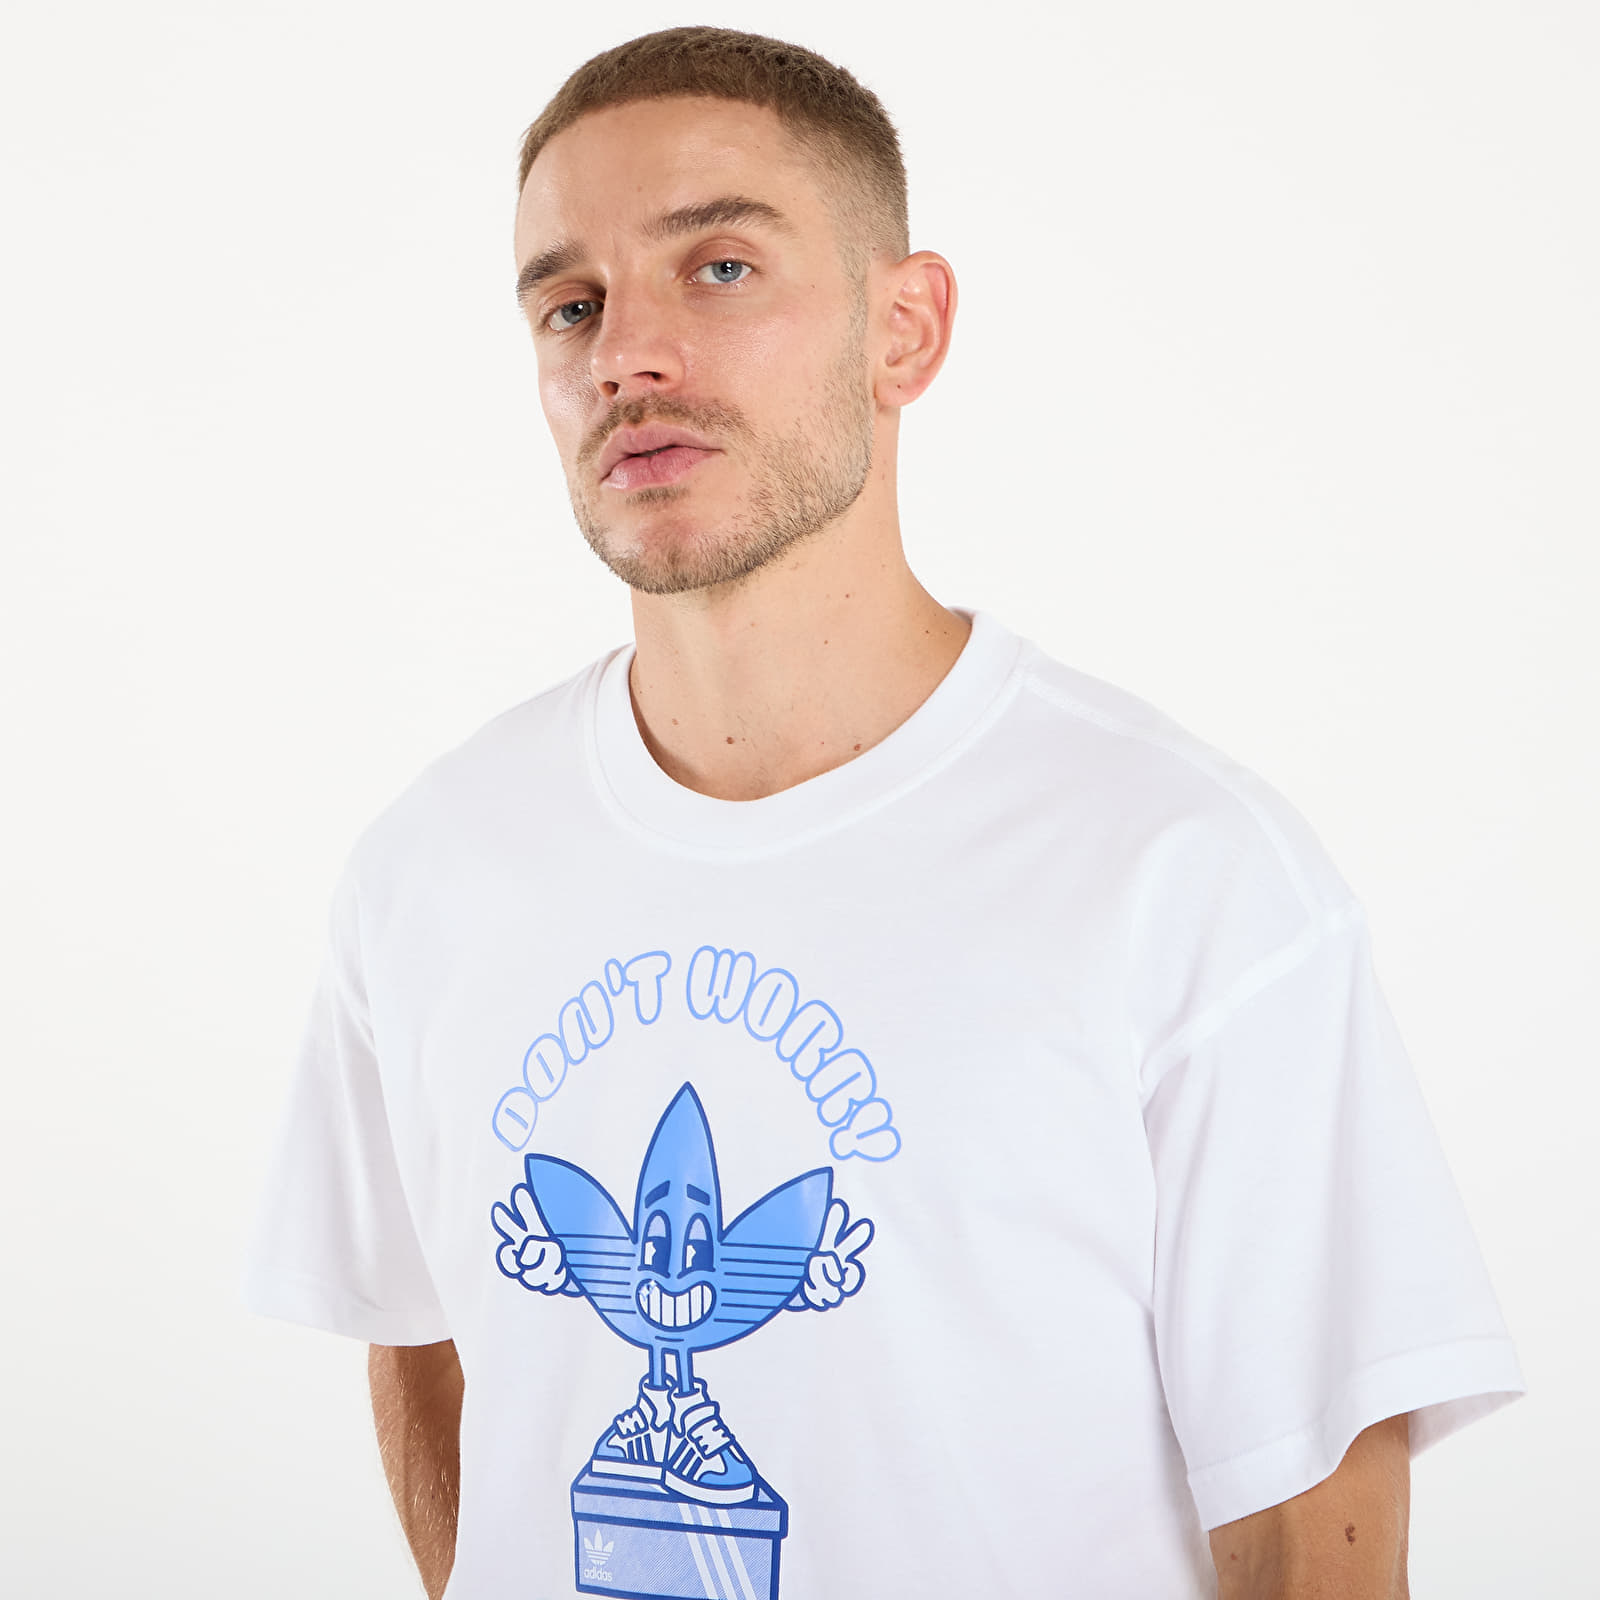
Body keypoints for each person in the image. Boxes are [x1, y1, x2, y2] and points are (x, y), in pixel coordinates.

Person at [244, 25, 1524, 1600]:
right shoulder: (429, 872)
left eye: (719, 269)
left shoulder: (1187, 879)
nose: (627, 354)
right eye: (571, 304)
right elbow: (428, 1339)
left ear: (902, 330)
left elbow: (1308, 1525)